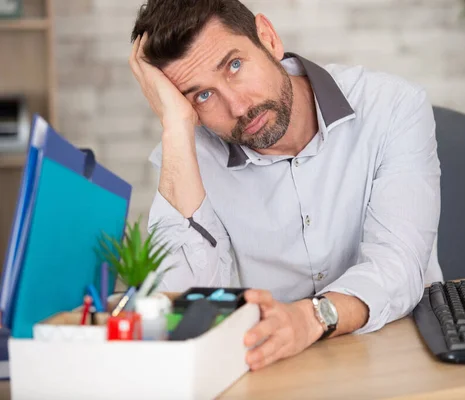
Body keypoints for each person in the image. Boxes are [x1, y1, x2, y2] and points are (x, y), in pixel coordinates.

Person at [129, 0, 443, 371]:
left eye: (234, 65)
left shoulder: (392, 107)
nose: (237, 106)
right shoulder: (188, 157)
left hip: (398, 356)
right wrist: (175, 126)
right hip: (273, 370)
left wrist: (312, 317)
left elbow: (398, 262)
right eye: (202, 95)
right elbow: (178, 306)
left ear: (268, 37)